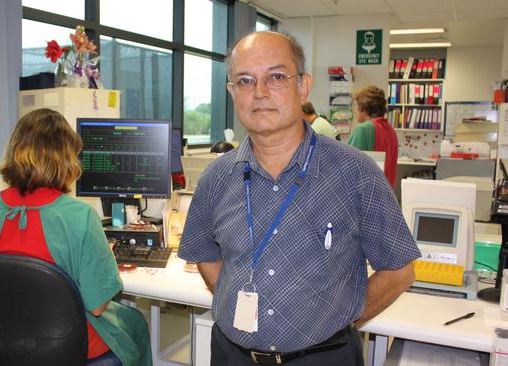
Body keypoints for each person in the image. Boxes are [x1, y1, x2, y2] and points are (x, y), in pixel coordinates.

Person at [178, 31, 420, 366]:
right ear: (232, 93)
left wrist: (340, 323)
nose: (260, 92)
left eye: (276, 77)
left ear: (303, 86)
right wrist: (241, 304)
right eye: (245, 81)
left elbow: (399, 270)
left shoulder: (355, 172)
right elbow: (204, 254)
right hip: (233, 356)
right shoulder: (216, 178)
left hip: (324, 358)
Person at [0, 108, 151, 366]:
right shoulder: (79, 216)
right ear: (65, 160)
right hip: (69, 350)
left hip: (4, 345)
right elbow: (98, 305)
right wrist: (104, 257)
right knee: (135, 325)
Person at [347, 86, 399, 188]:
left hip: (367, 195)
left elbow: (348, 167)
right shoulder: (390, 131)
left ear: (363, 107)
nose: (355, 111)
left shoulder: (363, 129)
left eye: (356, 106)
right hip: (386, 193)